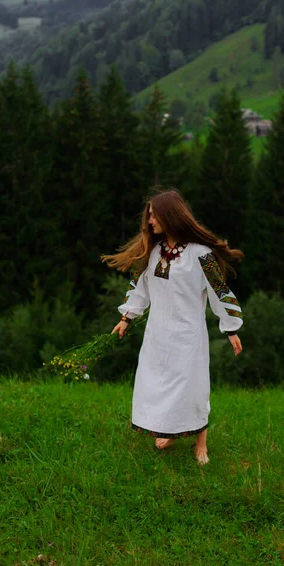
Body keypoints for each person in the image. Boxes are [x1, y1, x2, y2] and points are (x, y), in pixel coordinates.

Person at [102, 189, 243, 465]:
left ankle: (200, 443)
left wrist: (231, 327)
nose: (150, 221)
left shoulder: (201, 254)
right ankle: (170, 430)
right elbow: (139, 287)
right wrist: (126, 317)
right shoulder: (152, 252)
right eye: (149, 215)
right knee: (158, 384)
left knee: (192, 387)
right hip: (158, 334)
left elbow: (219, 290)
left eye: (154, 215)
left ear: (170, 216)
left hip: (188, 336)